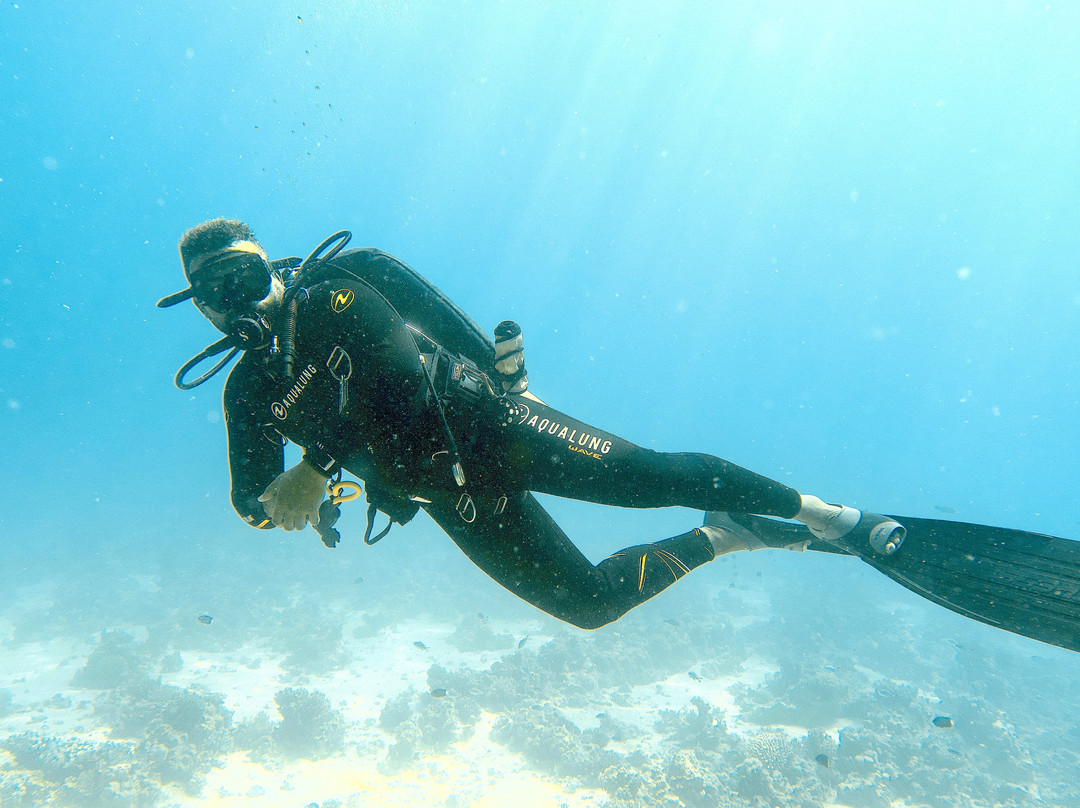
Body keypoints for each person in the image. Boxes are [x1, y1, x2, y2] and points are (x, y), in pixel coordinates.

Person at [158, 219, 905, 630]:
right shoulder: (249, 392)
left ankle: (836, 517)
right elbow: (250, 500)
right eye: (217, 295)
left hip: (496, 427)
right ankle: (731, 533)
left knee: (656, 478)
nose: (239, 302)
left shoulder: (336, 294)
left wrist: (315, 467)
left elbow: (400, 377)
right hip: (446, 496)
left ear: (274, 269)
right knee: (586, 606)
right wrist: (290, 508)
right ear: (202, 310)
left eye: (246, 278)